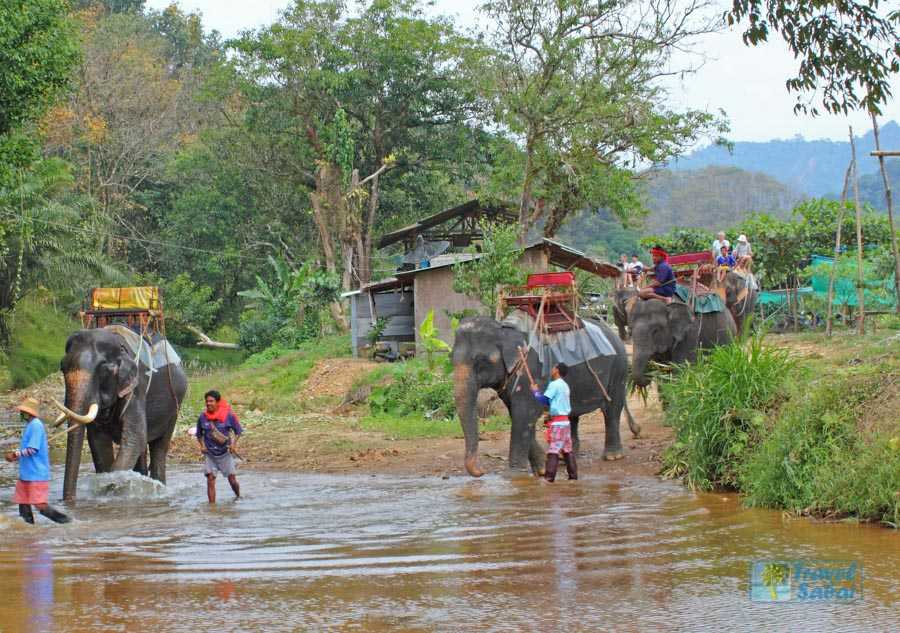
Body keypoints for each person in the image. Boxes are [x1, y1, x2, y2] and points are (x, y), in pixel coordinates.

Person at [4, 398, 71, 524]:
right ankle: (28, 530)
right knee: (23, 502)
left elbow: (32, 449)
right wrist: (17, 455)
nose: (21, 414)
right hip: (26, 474)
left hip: (36, 474)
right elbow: (27, 448)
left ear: (28, 413)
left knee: (40, 505)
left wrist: (15, 454)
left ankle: (67, 522)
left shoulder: (36, 425)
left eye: (23, 412)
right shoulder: (29, 425)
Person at [531, 363, 576, 482]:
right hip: (566, 422)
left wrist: (535, 392)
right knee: (567, 449)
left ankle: (549, 478)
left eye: (553, 368)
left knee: (553, 450)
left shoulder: (554, 384)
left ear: (556, 370)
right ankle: (573, 477)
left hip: (558, 424)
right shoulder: (565, 385)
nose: (551, 369)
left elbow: (545, 400)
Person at [196, 390, 243, 503]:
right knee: (210, 479)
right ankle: (212, 507)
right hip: (210, 455)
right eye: (207, 401)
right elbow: (199, 434)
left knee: (232, 480)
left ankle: (238, 495)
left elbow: (238, 431)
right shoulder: (202, 417)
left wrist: (233, 444)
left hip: (225, 454)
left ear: (217, 402)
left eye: (211, 401)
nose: (208, 403)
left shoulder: (229, 416)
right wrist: (202, 445)